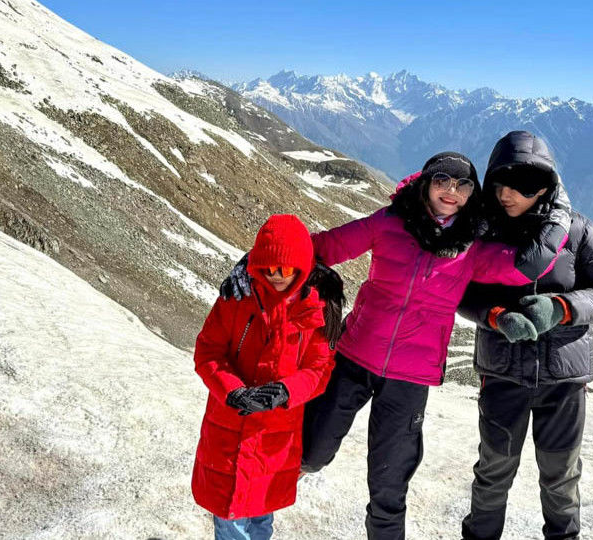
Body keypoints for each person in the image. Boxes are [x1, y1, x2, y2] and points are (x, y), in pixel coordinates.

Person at [222, 151, 571, 540]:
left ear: (473, 195)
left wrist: (558, 215)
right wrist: (253, 261)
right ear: (425, 182)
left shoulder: (472, 248)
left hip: (410, 378)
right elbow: (322, 248)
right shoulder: (389, 223)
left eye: (463, 185)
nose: (451, 191)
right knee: (309, 453)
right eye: (442, 180)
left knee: (389, 486)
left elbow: (530, 264)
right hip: (354, 358)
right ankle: (251, 520)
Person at [457, 131, 593, 540]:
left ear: (546, 185)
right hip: (502, 376)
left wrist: (562, 308)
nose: (506, 194)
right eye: (500, 183)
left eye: (520, 186)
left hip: (563, 383)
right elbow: (461, 292)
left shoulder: (579, 231)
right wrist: (495, 316)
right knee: (493, 473)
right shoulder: (482, 231)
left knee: (560, 478)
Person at [191, 214, 343, 540]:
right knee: (229, 517)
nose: (275, 277)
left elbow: (319, 371)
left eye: (285, 270)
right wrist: (232, 392)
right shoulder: (236, 299)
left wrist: (284, 392)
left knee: (261, 517)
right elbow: (208, 351)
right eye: (268, 268)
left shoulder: (317, 311)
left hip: (275, 439)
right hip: (228, 432)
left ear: (301, 266)